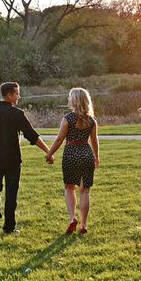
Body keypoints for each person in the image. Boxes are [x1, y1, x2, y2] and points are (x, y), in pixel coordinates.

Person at [0, 82, 54, 236]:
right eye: (17, 93)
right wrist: (48, 151)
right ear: (9, 95)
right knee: (11, 192)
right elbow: (31, 135)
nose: (19, 96)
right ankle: (9, 227)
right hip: (12, 160)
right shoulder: (17, 114)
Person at [45, 87, 100, 235]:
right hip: (86, 153)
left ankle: (72, 219)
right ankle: (83, 224)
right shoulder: (92, 121)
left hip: (70, 154)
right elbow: (94, 141)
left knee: (69, 188)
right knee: (85, 191)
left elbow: (59, 140)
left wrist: (49, 154)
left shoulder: (68, 118)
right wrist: (96, 157)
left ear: (73, 100)